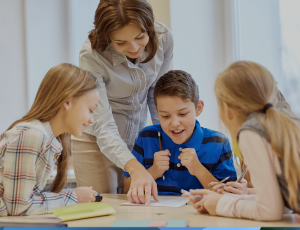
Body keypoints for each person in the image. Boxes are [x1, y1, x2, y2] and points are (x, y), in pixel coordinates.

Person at [71, 0, 173, 204]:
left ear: (149, 26)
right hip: (97, 140)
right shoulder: (91, 56)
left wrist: (163, 138)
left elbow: (157, 95)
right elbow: (103, 123)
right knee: (103, 209)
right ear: (107, 37)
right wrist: (135, 167)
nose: (134, 48)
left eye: (140, 37)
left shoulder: (163, 37)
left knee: (137, 207)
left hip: (138, 137)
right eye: (121, 43)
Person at [187, 61, 300, 221]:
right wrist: (225, 200)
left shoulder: (251, 132)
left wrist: (220, 205)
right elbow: (281, 202)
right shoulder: (284, 125)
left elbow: (269, 211)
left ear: (228, 110)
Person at [0, 64, 99, 216]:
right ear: (67, 102)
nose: (92, 120)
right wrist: (72, 197)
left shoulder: (49, 139)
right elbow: (19, 208)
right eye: (90, 110)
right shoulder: (32, 135)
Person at [123, 70, 237, 197]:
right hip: (156, 215)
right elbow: (126, 189)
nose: (174, 123)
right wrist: (153, 171)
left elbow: (230, 196)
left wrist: (199, 170)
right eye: (165, 116)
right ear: (157, 112)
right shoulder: (146, 137)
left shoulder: (219, 143)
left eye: (182, 114)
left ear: (198, 108)